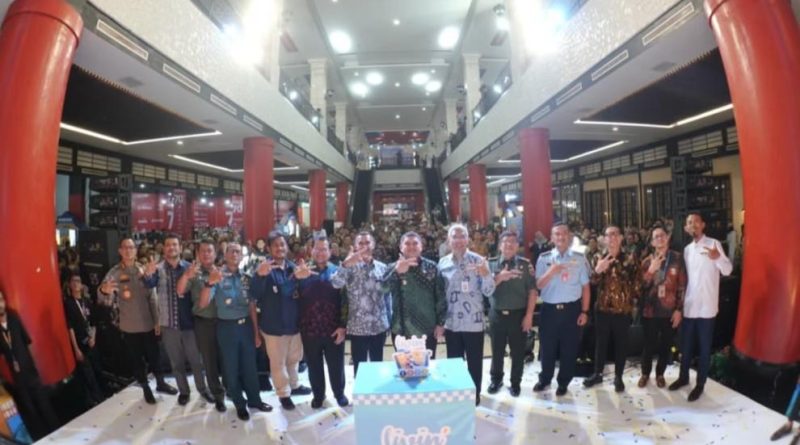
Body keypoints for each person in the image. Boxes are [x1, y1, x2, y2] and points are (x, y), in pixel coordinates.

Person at [98, 238, 178, 404]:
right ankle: (145, 388)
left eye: (131, 247)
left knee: (155, 357)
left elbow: (153, 298)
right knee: (137, 361)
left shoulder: (142, 269)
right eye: (125, 248)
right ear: (120, 251)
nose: (128, 251)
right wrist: (103, 291)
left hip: (148, 324)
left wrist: (157, 321)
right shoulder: (114, 273)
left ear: (135, 250)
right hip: (129, 327)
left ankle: (161, 383)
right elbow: (104, 299)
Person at [199, 243, 272, 420]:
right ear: (224, 255)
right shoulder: (217, 276)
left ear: (241, 256)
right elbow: (203, 303)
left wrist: (256, 332)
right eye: (231, 251)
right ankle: (239, 403)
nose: (234, 254)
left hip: (246, 327)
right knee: (231, 368)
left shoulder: (246, 278)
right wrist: (209, 283)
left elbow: (252, 306)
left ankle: (254, 400)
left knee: (250, 367)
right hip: (227, 328)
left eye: (238, 251)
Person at [669, 213, 732, 401]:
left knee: (704, 348)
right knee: (685, 346)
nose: (693, 225)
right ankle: (683, 377)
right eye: (689, 222)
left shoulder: (713, 243)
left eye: (696, 221)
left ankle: (700, 384)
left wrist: (717, 257)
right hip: (689, 306)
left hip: (707, 307)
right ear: (686, 228)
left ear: (703, 225)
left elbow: (727, 270)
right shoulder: (687, 250)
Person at [147, 234, 212, 406]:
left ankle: (203, 389)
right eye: (168, 245)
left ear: (180, 248)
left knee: (196, 361)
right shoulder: (158, 269)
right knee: (176, 363)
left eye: (175, 244)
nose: (172, 248)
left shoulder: (190, 267)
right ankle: (184, 391)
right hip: (168, 324)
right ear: (164, 249)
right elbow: (150, 283)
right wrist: (148, 274)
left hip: (190, 323)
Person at [250, 231, 312, 411]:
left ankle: (294, 385)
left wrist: (305, 278)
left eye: (282, 244)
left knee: (294, 359)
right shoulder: (264, 268)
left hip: (294, 325)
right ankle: (284, 393)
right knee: (278, 364)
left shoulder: (293, 268)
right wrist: (259, 276)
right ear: (269, 249)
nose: (280, 248)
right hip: (274, 327)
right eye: (275, 245)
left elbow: (302, 293)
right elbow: (254, 295)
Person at [438, 224, 495, 405]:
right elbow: (440, 294)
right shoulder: (443, 263)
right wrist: (439, 321)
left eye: (462, 236)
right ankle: (457, 393)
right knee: (454, 362)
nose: (459, 240)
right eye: (454, 237)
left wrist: (486, 275)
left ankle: (474, 393)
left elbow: (489, 291)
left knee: (474, 361)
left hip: (473, 322)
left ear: (468, 239)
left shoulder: (478, 261)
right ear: (449, 241)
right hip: (452, 322)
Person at [534, 224, 591, 396]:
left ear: (570, 236)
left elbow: (586, 287)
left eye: (564, 233)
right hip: (549, 311)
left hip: (571, 310)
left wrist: (584, 311)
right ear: (552, 238)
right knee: (547, 348)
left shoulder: (579, 259)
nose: (561, 237)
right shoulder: (543, 258)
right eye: (557, 234)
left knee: (569, 349)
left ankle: (563, 382)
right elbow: (538, 285)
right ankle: (545, 379)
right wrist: (551, 272)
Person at [583, 225, 639, 393]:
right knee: (600, 343)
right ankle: (598, 373)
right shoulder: (597, 257)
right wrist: (597, 270)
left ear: (621, 237)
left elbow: (637, 283)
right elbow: (591, 282)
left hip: (623, 310)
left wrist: (631, 302)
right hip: (602, 309)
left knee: (621, 344)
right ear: (604, 239)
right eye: (608, 235)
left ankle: (618, 376)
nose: (612, 238)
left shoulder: (630, 258)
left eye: (615, 234)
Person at [295, 236, 349, 408]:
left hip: (333, 329)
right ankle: (318, 395)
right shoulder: (302, 272)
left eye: (324, 249)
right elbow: (292, 296)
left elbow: (345, 300)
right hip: (309, 329)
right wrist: (296, 278)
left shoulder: (337, 271)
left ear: (330, 251)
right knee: (314, 365)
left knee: (336, 365)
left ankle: (339, 393)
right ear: (311, 251)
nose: (320, 252)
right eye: (317, 249)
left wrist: (343, 326)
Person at [0, 290, 60, 440]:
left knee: (44, 405)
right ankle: (42, 439)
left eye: (1, 299)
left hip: (30, 370)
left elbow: (27, 341)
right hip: (17, 376)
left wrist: (34, 365)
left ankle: (59, 433)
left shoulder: (14, 317)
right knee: (30, 410)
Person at [176, 240, 227, 412]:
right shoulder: (194, 273)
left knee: (227, 359)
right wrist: (185, 276)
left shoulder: (222, 271)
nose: (206, 254)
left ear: (215, 253)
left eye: (209, 251)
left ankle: (231, 389)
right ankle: (218, 395)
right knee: (209, 361)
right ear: (198, 254)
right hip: (204, 322)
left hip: (224, 322)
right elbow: (180, 291)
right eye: (203, 251)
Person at [331, 232, 391, 376]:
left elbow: (387, 296)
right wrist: (345, 264)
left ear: (373, 245)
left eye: (367, 243)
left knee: (377, 366)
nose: (364, 246)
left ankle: (376, 390)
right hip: (358, 328)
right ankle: (360, 390)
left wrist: (388, 320)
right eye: (361, 243)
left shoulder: (382, 268)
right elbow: (335, 284)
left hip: (379, 326)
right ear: (355, 246)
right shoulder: (349, 267)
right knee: (359, 368)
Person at [487, 231, 537, 398]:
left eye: (512, 242)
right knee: (497, 351)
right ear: (500, 245)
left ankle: (515, 383)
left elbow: (532, 291)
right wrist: (499, 278)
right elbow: (484, 289)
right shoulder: (490, 264)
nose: (508, 245)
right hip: (497, 315)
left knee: (518, 352)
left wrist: (529, 316)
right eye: (505, 241)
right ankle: (496, 380)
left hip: (518, 315)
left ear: (517, 246)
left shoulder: (525, 265)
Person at [382, 232, 446, 356]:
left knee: (426, 365)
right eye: (407, 244)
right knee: (404, 366)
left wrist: (440, 323)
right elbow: (382, 289)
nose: (411, 246)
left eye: (415, 243)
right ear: (401, 247)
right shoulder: (392, 268)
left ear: (421, 246)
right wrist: (397, 272)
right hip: (400, 329)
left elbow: (441, 297)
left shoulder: (432, 267)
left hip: (427, 328)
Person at [638, 226, 686, 388]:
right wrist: (651, 271)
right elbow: (640, 287)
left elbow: (682, 286)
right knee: (648, 345)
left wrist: (679, 310)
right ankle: (645, 373)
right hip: (650, 311)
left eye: (662, 235)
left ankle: (660, 374)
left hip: (669, 311)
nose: (660, 238)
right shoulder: (646, 261)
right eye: (656, 237)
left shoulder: (677, 258)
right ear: (652, 242)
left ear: (668, 237)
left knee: (666, 345)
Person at [63, 273, 105, 406]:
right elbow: (70, 328)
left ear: (82, 285)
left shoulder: (86, 301)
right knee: (88, 374)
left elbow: (93, 322)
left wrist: (94, 337)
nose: (76, 283)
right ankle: (97, 399)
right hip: (80, 344)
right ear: (70, 285)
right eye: (73, 281)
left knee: (98, 369)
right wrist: (76, 349)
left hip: (91, 341)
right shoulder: (68, 303)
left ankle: (103, 395)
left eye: (78, 281)